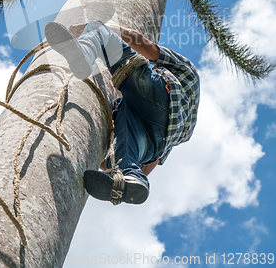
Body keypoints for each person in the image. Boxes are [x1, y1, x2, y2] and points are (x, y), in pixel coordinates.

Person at [45, 20, 200, 206]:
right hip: (156, 140)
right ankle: (130, 178)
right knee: (127, 139)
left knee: (97, 29)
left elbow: (143, 43)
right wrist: (114, 165)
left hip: (161, 97)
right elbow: (152, 161)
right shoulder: (179, 131)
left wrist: (92, 29)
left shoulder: (188, 70)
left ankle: (85, 53)